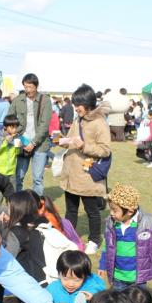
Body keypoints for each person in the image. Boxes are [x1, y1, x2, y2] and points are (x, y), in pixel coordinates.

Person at [59, 84, 111, 255]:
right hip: (71, 172)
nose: (75, 107)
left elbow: (105, 150)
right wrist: (62, 140)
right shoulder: (78, 119)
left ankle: (95, 240)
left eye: (78, 104)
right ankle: (69, 237)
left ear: (88, 103)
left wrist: (84, 146)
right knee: (71, 210)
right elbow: (72, 138)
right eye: (74, 104)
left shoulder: (99, 122)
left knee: (92, 211)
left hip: (87, 174)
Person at [99, 184, 152, 290]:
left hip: (138, 278)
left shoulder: (147, 222)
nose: (111, 213)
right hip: (118, 277)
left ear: (130, 211)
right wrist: (102, 265)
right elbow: (107, 246)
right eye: (111, 209)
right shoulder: (112, 223)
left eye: (115, 210)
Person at [34, 250, 105, 303]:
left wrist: (92, 299)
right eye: (66, 279)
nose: (71, 284)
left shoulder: (91, 287)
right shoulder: (52, 289)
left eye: (77, 280)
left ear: (85, 277)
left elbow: (100, 297)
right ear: (59, 274)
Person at [8, 73, 52, 195]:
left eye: (30, 87)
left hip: (40, 144)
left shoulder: (45, 101)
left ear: (36, 86)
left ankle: (37, 205)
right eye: (25, 87)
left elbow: (44, 125)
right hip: (21, 142)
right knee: (19, 176)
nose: (28, 90)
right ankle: (17, 202)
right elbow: (9, 119)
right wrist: (16, 136)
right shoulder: (18, 100)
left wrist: (33, 143)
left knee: (37, 179)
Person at [3, 191, 48, 282]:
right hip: (46, 275)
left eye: (9, 207)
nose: (7, 210)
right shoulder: (42, 223)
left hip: (29, 280)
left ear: (17, 209)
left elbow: (5, 260)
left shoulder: (16, 233)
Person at [0, 114, 25, 191]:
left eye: (16, 127)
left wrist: (18, 145)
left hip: (11, 171)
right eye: (12, 127)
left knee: (12, 194)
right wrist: (5, 141)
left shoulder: (17, 137)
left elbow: (18, 152)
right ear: (5, 127)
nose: (14, 130)